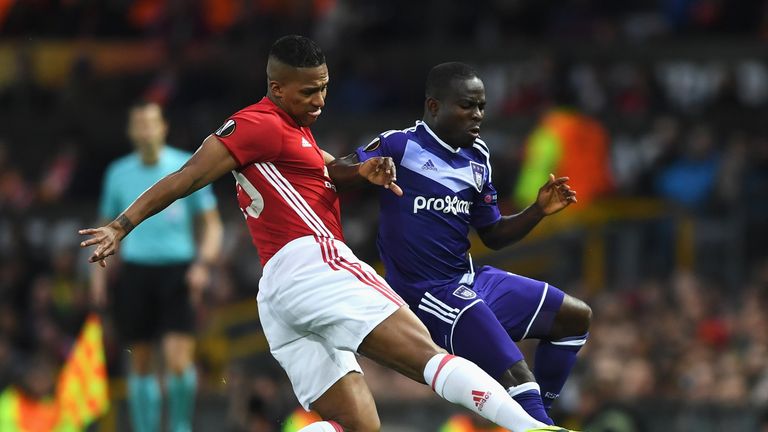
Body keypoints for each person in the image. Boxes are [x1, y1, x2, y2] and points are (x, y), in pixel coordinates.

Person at [80, 36, 573, 432]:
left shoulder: (294, 132)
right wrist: (121, 225)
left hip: (278, 293)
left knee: (357, 425)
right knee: (427, 353)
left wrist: (364, 175)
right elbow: (185, 177)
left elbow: (330, 171)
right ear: (277, 88)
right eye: (307, 92)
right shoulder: (258, 125)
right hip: (313, 261)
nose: (319, 101)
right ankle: (532, 428)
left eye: (324, 88)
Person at [352, 62, 592, 425]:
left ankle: (538, 420)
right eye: (467, 105)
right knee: (515, 371)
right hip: (428, 292)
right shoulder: (399, 145)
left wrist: (538, 210)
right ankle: (538, 423)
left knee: (575, 318)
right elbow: (336, 170)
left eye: (481, 106)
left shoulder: (477, 157)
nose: (477, 115)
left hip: (470, 280)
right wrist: (359, 171)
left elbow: (493, 235)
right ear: (434, 107)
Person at [91, 101, 223, 432]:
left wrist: (203, 265)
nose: (147, 130)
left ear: (163, 127)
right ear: (132, 132)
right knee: (141, 361)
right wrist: (96, 278)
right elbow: (105, 225)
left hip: (178, 272)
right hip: (136, 272)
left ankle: (180, 427)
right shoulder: (118, 173)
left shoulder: (185, 166)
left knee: (179, 361)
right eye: (140, 124)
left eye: (152, 123)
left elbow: (212, 225)